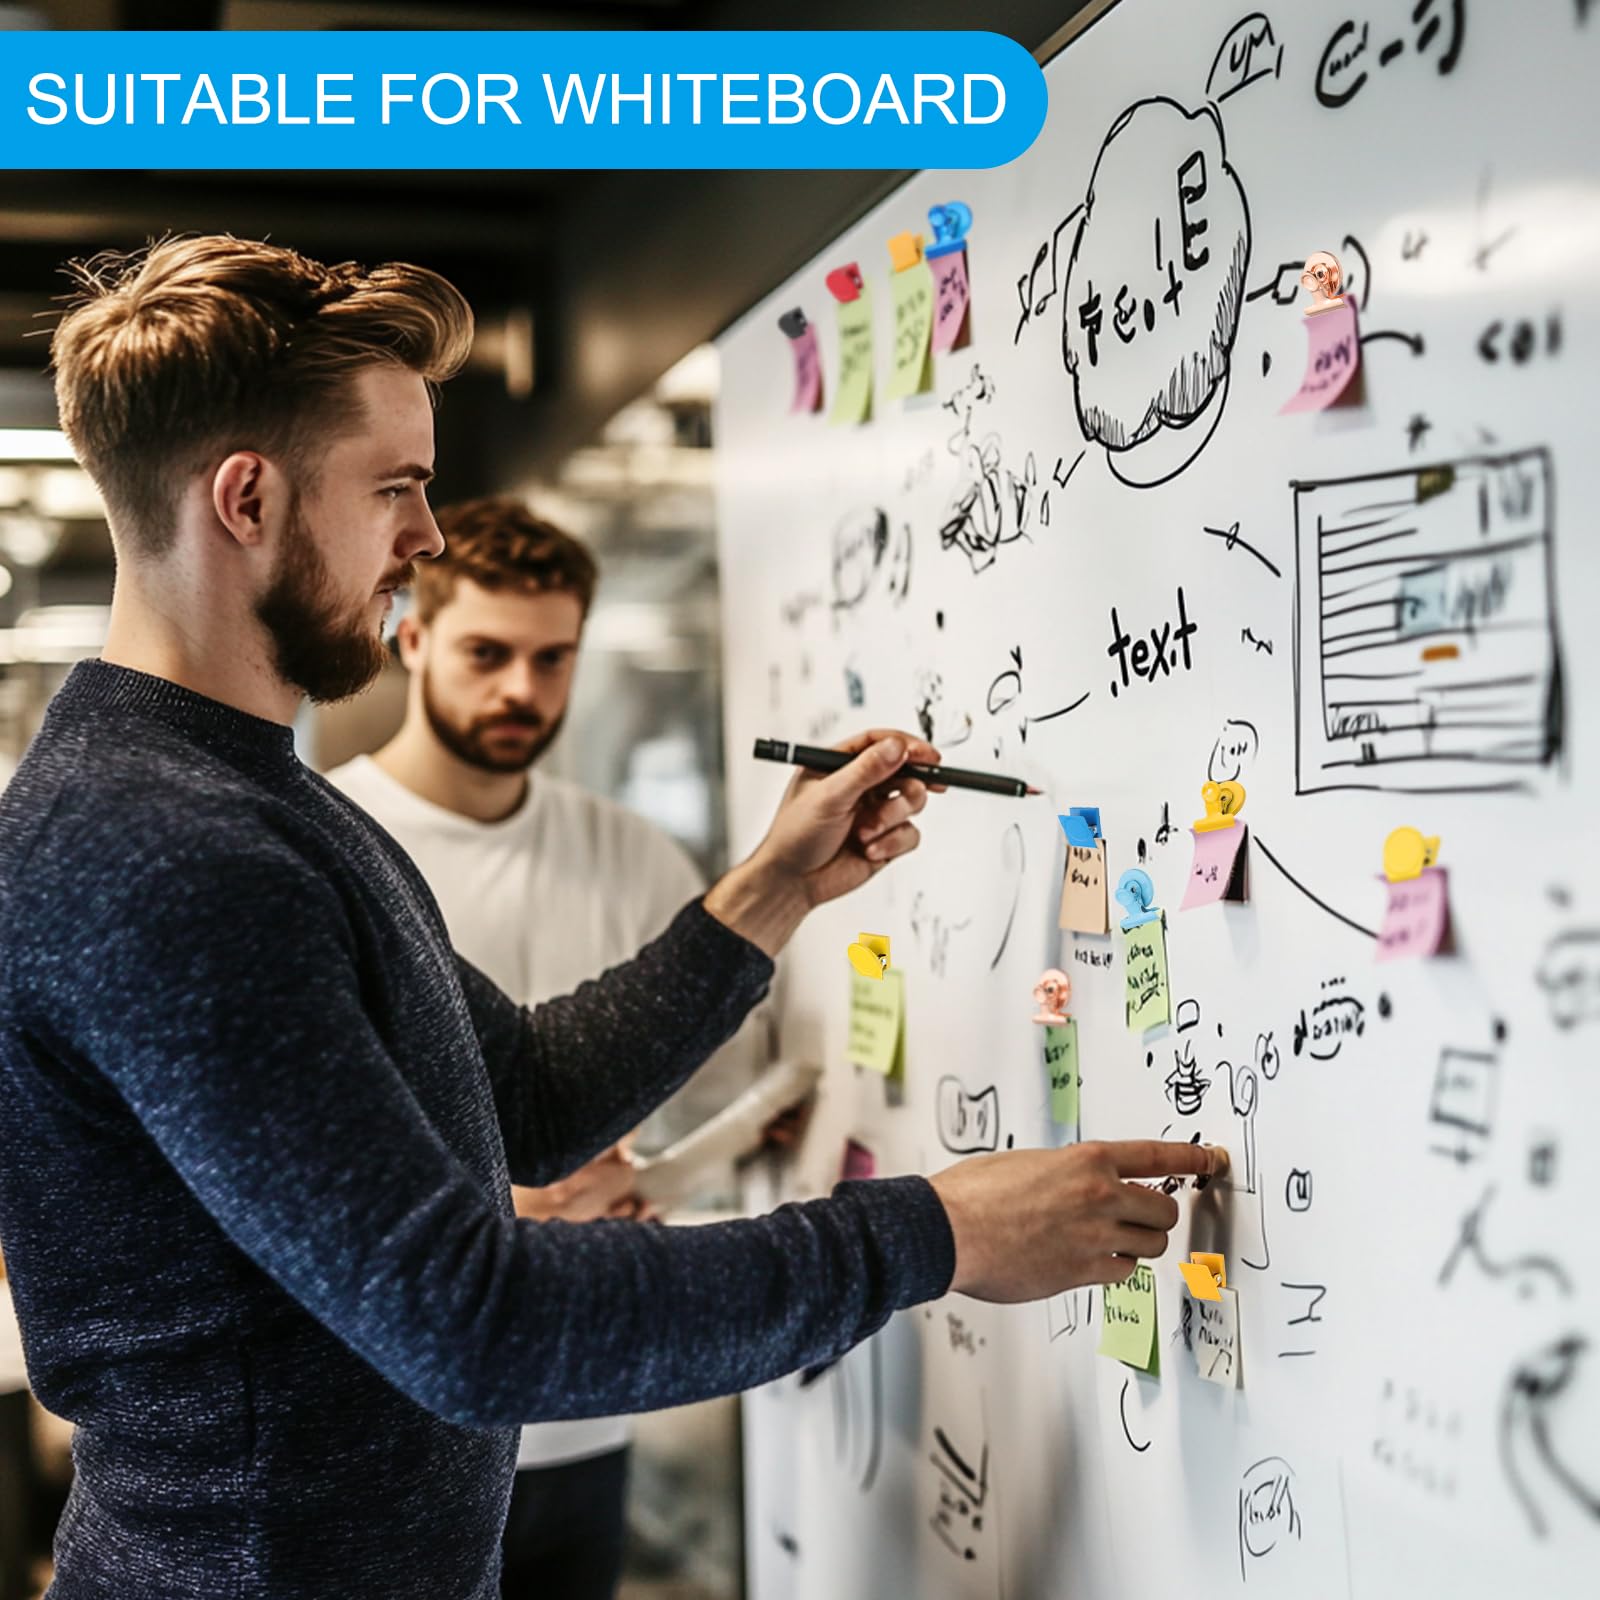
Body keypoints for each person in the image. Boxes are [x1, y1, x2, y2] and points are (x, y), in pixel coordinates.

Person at [0, 235, 1218, 1600]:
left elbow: (519, 1095)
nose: (428, 535)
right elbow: (473, 1324)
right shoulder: (157, 846)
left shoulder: (259, 801)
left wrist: (776, 886)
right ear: (246, 499)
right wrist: (935, 1234)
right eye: (396, 486)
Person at [327, 497, 762, 1598]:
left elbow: (734, 1091)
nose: (522, 688)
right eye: (488, 653)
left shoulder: (634, 855)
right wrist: (492, 1203)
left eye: (551, 658)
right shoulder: (332, 848)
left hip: (584, 1405)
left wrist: (652, 1179)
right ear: (413, 639)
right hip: (395, 1422)